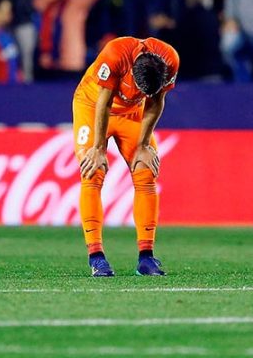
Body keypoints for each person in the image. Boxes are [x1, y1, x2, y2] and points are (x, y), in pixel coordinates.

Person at [74, 36, 180, 277]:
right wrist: (99, 148)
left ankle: (146, 258)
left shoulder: (170, 59)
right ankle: (96, 257)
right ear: (132, 72)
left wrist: (143, 144)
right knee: (93, 170)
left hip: (133, 113)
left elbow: (156, 101)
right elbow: (104, 101)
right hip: (92, 106)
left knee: (145, 170)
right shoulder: (116, 53)